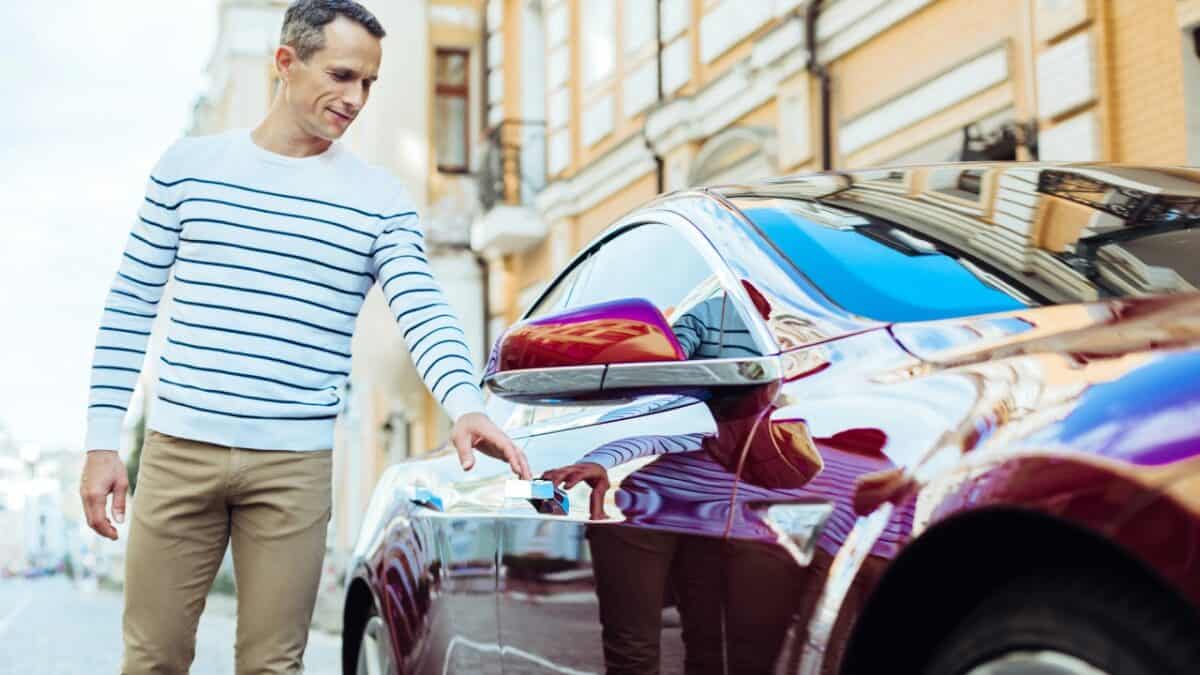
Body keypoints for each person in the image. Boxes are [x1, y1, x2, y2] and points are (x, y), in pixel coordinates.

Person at [76, 2, 529, 673]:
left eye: (368, 83)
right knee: (152, 659)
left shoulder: (379, 200)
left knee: (273, 665)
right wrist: (100, 441)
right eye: (341, 75)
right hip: (178, 453)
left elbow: (423, 307)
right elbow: (130, 303)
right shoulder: (188, 168)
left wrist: (464, 402)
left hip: (293, 467)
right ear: (286, 63)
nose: (356, 99)